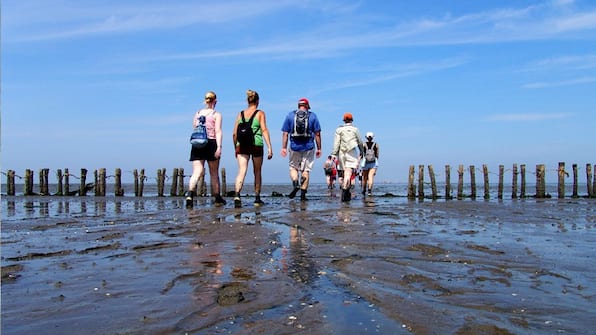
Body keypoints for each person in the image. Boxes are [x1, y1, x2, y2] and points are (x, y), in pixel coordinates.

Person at [232, 90, 273, 208]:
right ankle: (257, 198)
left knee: (242, 170)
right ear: (258, 101)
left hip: (242, 145)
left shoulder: (240, 114)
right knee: (257, 171)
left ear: (247, 101)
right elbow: (264, 130)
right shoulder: (260, 113)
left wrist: (236, 147)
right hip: (256, 144)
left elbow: (234, 133)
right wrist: (270, 147)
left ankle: (237, 194)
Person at [185, 91, 226, 207]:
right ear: (215, 101)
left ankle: (190, 195)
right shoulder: (216, 114)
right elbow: (218, 131)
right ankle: (217, 197)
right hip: (211, 142)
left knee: (196, 171)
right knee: (214, 173)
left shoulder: (197, 113)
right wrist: (219, 147)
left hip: (197, 143)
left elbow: (194, 127)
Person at [280, 98, 322, 201]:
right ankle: (303, 196)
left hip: (294, 146)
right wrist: (319, 148)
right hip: (309, 146)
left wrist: (284, 147)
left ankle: (295, 183)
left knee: (293, 168)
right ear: (307, 106)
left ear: (299, 105)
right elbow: (317, 134)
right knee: (306, 171)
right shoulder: (312, 116)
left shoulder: (290, 115)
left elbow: (285, 133)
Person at [331, 112, 364, 202]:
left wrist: (334, 154)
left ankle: (345, 191)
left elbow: (336, 143)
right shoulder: (355, 129)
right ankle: (345, 189)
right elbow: (360, 142)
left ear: (344, 120)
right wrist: (362, 151)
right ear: (352, 120)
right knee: (348, 173)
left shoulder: (339, 130)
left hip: (341, 153)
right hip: (351, 152)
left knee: (344, 172)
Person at [361, 132, 379, 196]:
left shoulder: (363, 144)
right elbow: (377, 155)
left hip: (365, 162)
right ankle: (369, 191)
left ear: (366, 137)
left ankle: (363, 190)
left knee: (365, 177)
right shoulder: (376, 144)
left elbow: (362, 154)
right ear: (372, 137)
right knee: (370, 177)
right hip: (373, 163)